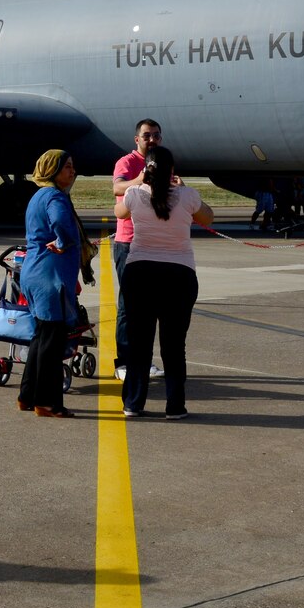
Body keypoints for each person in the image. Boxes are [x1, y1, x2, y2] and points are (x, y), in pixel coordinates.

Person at [116, 145, 214, 419]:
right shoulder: (187, 196)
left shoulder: (135, 194)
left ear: (146, 169)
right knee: (173, 346)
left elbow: (119, 212)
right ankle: (175, 405)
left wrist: (138, 183)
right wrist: (184, 189)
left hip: (141, 273)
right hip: (178, 274)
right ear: (172, 170)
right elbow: (208, 216)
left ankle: (133, 403)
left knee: (139, 344)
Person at [18, 149, 82, 418]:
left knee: (41, 337)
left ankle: (28, 395)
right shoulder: (55, 196)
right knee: (53, 342)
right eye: (66, 166)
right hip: (50, 276)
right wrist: (63, 241)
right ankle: (47, 402)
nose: (72, 171)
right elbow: (60, 224)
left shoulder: (38, 195)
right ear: (52, 170)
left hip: (34, 272)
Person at [109, 119, 162, 382]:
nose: (151, 140)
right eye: (146, 135)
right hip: (127, 242)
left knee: (149, 307)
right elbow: (117, 187)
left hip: (151, 240)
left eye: (155, 136)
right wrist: (139, 179)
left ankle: (145, 361)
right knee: (128, 306)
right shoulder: (127, 162)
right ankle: (124, 361)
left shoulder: (160, 161)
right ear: (136, 139)